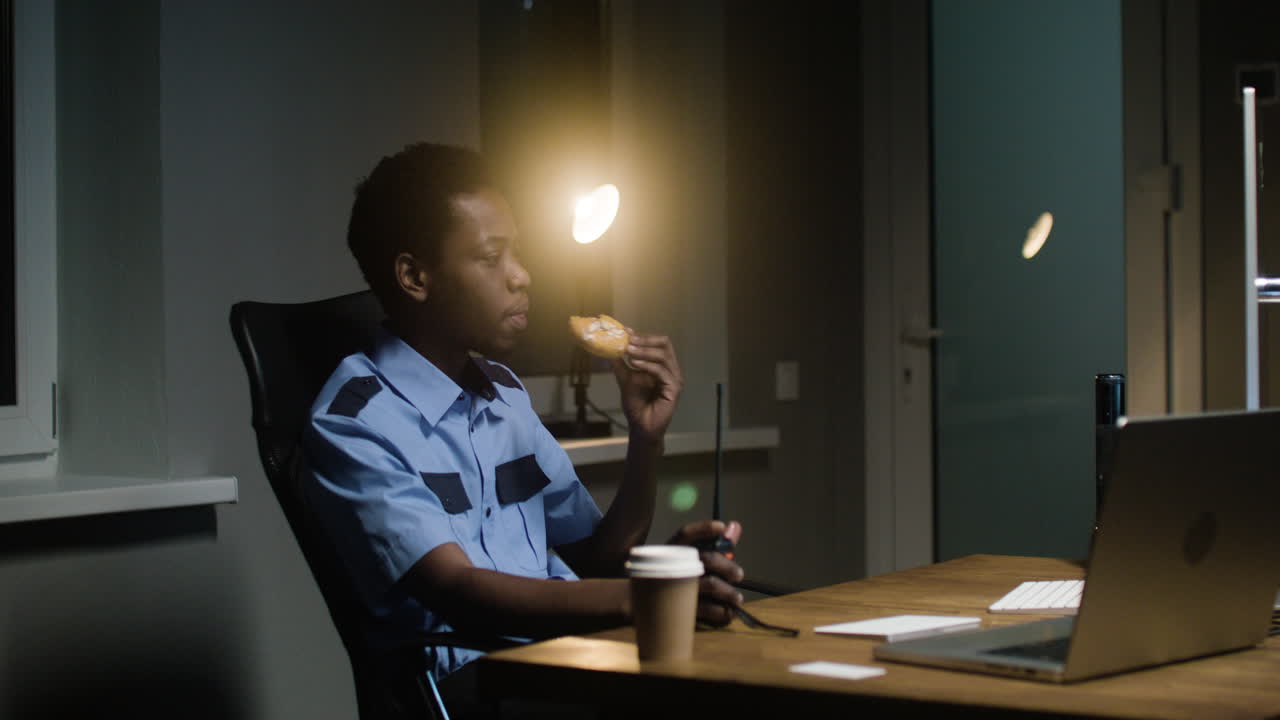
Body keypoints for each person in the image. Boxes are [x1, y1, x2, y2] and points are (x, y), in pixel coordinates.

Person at [300, 142, 745, 705]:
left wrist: (645, 441)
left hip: (562, 659)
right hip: (473, 685)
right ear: (415, 276)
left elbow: (596, 556)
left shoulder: (504, 395)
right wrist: (646, 600)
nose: (522, 277)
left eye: (520, 254)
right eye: (492, 258)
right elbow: (460, 592)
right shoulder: (355, 422)